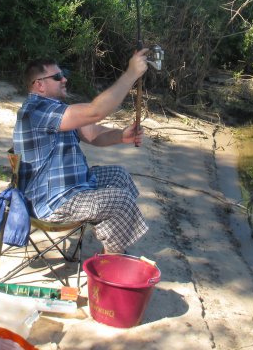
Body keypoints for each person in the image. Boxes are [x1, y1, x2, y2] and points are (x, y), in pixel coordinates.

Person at [13, 49, 150, 254]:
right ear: (39, 85)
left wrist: (122, 136)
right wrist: (131, 74)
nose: (64, 79)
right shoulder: (36, 110)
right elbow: (96, 111)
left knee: (119, 175)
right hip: (53, 201)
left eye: (63, 73)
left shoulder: (55, 109)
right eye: (57, 76)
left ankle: (113, 243)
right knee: (119, 201)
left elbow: (93, 132)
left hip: (73, 187)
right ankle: (111, 266)